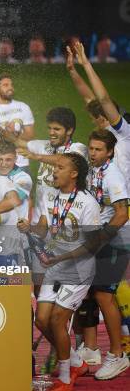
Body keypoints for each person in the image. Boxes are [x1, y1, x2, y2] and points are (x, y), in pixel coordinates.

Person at [21, 152, 101, 391]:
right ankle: (76, 361)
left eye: (60, 167)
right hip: (55, 267)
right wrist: (30, 228)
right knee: (41, 319)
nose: (54, 171)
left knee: (57, 319)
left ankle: (66, 377)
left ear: (74, 174)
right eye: (54, 166)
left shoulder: (88, 203)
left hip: (78, 270)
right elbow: (44, 230)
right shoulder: (49, 195)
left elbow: (92, 244)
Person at [75, 129, 129, 379]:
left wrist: (99, 239)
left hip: (116, 240)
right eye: (91, 148)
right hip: (100, 239)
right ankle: (91, 349)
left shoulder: (114, 176)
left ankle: (117, 355)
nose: (93, 153)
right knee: (88, 291)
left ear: (109, 152)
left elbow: (122, 214)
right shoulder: (93, 168)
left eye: (98, 150)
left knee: (104, 295)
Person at [0, 107, 87, 219]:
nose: (51, 133)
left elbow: (65, 159)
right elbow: (16, 141)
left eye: (56, 129)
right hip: (39, 215)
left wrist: (37, 156)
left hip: (65, 213)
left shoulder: (79, 148)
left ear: (69, 130)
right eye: (49, 128)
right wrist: (0, 131)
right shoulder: (44, 145)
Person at [67, 41, 130, 191]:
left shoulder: (122, 132)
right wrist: (72, 70)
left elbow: (103, 99)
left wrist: (87, 64)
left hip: (124, 200)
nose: (93, 122)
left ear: (102, 118)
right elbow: (89, 99)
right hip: (104, 199)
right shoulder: (107, 134)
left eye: (93, 119)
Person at [0, 73, 35, 172]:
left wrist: (4, 133)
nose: (10, 88)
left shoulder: (23, 107)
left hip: (21, 163)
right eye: (5, 85)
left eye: (11, 85)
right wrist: (13, 135)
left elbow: (30, 136)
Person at [0, 141, 32, 220]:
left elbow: (12, 201)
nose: (3, 164)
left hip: (13, 229)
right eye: (0, 159)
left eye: (8, 160)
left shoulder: (24, 178)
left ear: (16, 159)